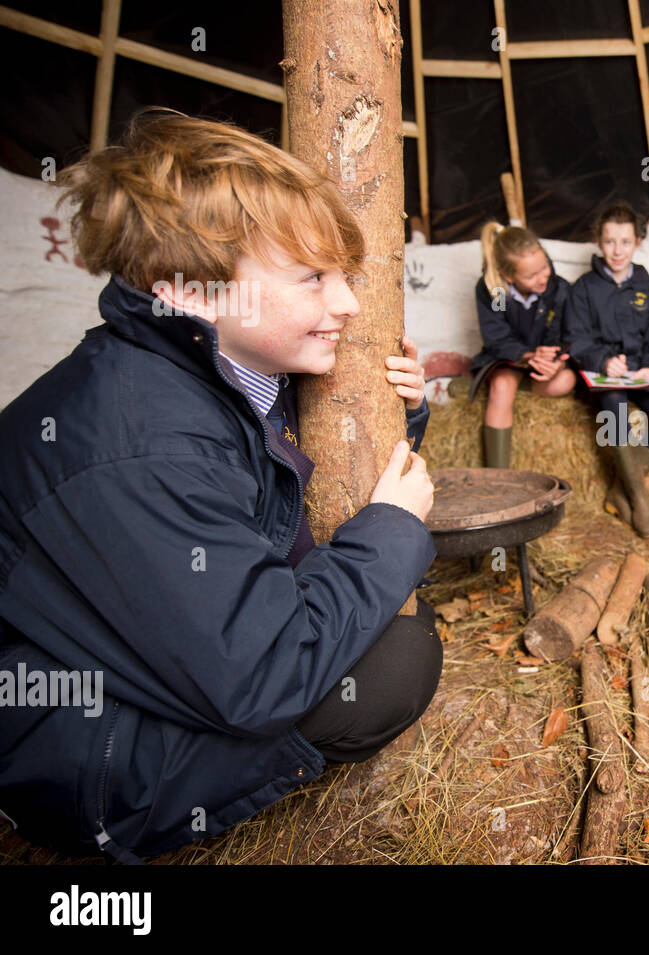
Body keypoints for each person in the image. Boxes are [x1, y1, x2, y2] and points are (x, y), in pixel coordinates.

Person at [0, 111, 441, 859]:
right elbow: (265, 672)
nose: (350, 305)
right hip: (78, 748)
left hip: (131, 663)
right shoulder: (141, 445)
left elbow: (272, 484)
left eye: (344, 276)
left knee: (386, 618)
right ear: (197, 292)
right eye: (314, 279)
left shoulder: (207, 370)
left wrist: (401, 412)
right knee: (395, 664)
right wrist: (394, 528)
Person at [566, 202, 649, 537]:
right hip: (602, 378)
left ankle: (620, 489)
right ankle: (641, 500)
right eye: (610, 241)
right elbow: (575, 338)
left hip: (639, 375)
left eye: (626, 242)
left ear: (638, 243)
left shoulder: (646, 288)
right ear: (599, 242)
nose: (618, 250)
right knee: (614, 406)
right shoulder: (584, 288)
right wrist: (603, 360)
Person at [468, 223, 575, 469]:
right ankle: (498, 476)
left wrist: (554, 361)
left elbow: (566, 334)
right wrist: (526, 355)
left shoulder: (559, 290)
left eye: (544, 267)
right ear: (509, 276)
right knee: (502, 385)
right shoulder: (494, 293)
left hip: (543, 362)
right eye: (531, 276)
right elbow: (496, 338)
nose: (543, 277)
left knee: (565, 381)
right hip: (510, 359)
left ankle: (521, 390)